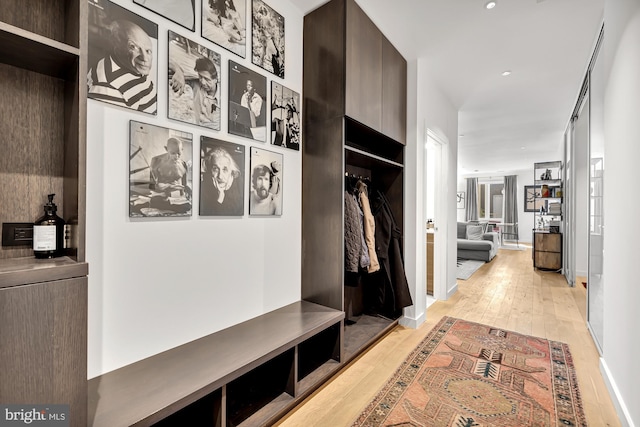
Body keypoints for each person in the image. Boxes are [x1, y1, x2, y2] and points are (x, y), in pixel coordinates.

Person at [87, 20, 157, 114]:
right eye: (133, 47)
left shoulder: (131, 65)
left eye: (148, 51)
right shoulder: (107, 87)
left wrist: (177, 70)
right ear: (117, 45)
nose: (145, 58)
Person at [148, 137, 191, 213]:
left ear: (182, 150)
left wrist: (189, 191)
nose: (176, 156)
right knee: (154, 203)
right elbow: (151, 186)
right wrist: (167, 187)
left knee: (188, 207)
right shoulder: (156, 161)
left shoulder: (183, 164)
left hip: (177, 200)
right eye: (173, 153)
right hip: (161, 198)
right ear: (166, 149)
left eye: (179, 153)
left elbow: (185, 185)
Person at [200, 147, 243, 216]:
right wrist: (220, 198)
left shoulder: (241, 186)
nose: (220, 176)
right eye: (215, 169)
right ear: (210, 170)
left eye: (225, 169)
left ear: (231, 171)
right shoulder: (203, 187)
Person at [192, 57, 220, 129]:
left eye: (207, 79)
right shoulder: (196, 84)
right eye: (200, 77)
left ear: (215, 79)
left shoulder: (223, 97)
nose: (203, 82)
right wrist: (178, 71)